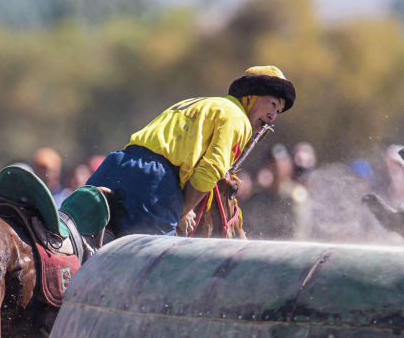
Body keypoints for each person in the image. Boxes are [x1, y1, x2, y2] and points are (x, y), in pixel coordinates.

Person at [86, 65, 295, 237]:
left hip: (117, 164)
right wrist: (182, 212)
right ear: (251, 96)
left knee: (79, 243)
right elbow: (209, 172)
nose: (273, 116)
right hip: (154, 183)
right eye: (273, 104)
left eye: (278, 111)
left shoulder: (201, 103)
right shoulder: (238, 119)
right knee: (155, 272)